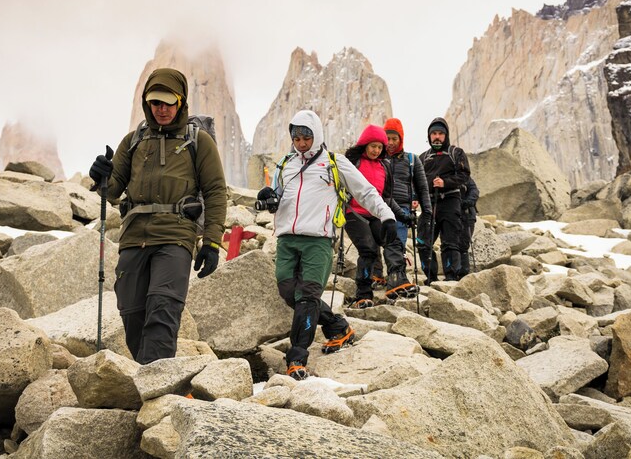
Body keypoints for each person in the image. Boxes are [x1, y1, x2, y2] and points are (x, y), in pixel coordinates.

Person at [88, 68, 227, 365]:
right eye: (155, 103)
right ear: (146, 103)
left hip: (176, 237)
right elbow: (112, 190)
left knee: (163, 308)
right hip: (134, 237)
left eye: (168, 102)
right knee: (132, 313)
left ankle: (159, 390)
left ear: (181, 101)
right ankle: (151, 377)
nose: (161, 109)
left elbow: (215, 192)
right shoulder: (133, 141)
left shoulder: (199, 142)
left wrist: (211, 243)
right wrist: (100, 175)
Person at [257, 110, 399, 380]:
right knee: (289, 293)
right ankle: (337, 326)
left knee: (308, 297)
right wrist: (267, 196)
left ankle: (297, 358)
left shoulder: (335, 162)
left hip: (318, 241)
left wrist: (387, 216)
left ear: (316, 135)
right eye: (296, 137)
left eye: (306, 137)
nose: (300, 142)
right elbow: (276, 193)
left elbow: (366, 191)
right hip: (287, 239)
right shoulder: (285, 163)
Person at [344, 124, 418, 308]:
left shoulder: (384, 166)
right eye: (373, 146)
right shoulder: (353, 163)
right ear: (365, 144)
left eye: (380, 147)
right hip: (354, 214)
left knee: (393, 241)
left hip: (376, 214)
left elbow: (386, 198)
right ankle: (363, 294)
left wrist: (401, 216)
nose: (376, 150)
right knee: (368, 249)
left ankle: (397, 280)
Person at [418, 117, 470, 283]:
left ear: (446, 135)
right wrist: (414, 198)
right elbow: (415, 181)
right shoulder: (423, 157)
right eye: (434, 133)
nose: (437, 137)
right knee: (423, 242)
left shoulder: (456, 153)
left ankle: (451, 277)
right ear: (429, 136)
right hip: (429, 203)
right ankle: (431, 277)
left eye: (441, 133)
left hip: (450, 200)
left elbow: (464, 175)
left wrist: (445, 182)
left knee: (450, 242)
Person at [384, 116, 433, 248]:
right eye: (387, 138)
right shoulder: (377, 158)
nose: (390, 142)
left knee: (397, 250)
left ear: (401, 139)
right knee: (373, 253)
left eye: (394, 138)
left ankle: (398, 269)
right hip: (379, 208)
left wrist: (427, 213)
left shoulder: (412, 160)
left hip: (402, 211)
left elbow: (423, 188)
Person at [459, 175, 480, 274]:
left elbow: (474, 191)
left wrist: (467, 202)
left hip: (467, 214)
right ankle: (457, 271)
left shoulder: (465, 177)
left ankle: (463, 272)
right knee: (452, 244)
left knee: (463, 244)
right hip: (455, 214)